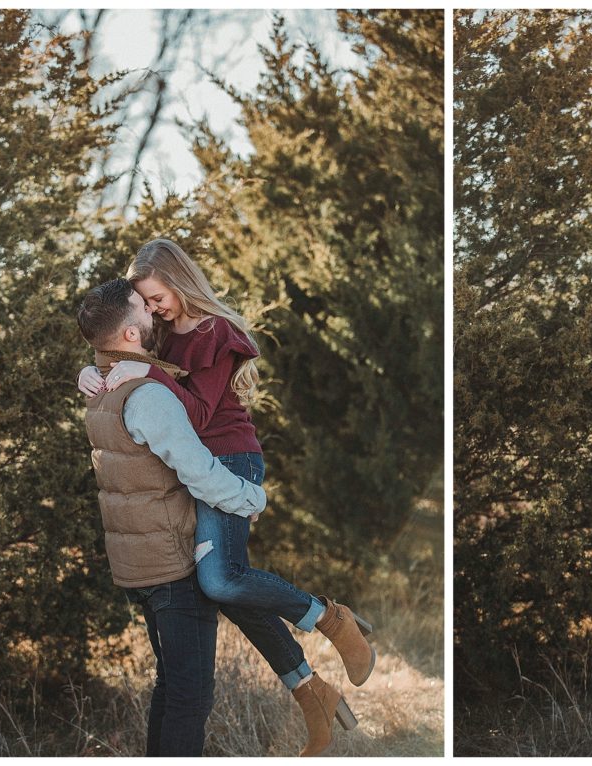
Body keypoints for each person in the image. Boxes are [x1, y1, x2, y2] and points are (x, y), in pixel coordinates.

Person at [77, 242, 374, 757]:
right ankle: (310, 691)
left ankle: (328, 618)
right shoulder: (161, 332)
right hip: (199, 469)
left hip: (230, 459)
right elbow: (127, 348)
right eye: (144, 304)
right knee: (225, 588)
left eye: (156, 296)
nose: (152, 309)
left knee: (220, 579)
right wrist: (97, 372)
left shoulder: (216, 334)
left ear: (177, 281)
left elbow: (192, 412)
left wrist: (143, 373)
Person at [77, 277, 282, 755]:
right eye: (142, 308)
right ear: (130, 334)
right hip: (172, 564)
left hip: (139, 565)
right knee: (191, 697)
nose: (152, 312)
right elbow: (200, 472)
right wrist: (251, 499)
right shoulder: (148, 395)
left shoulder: (100, 388)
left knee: (170, 687)